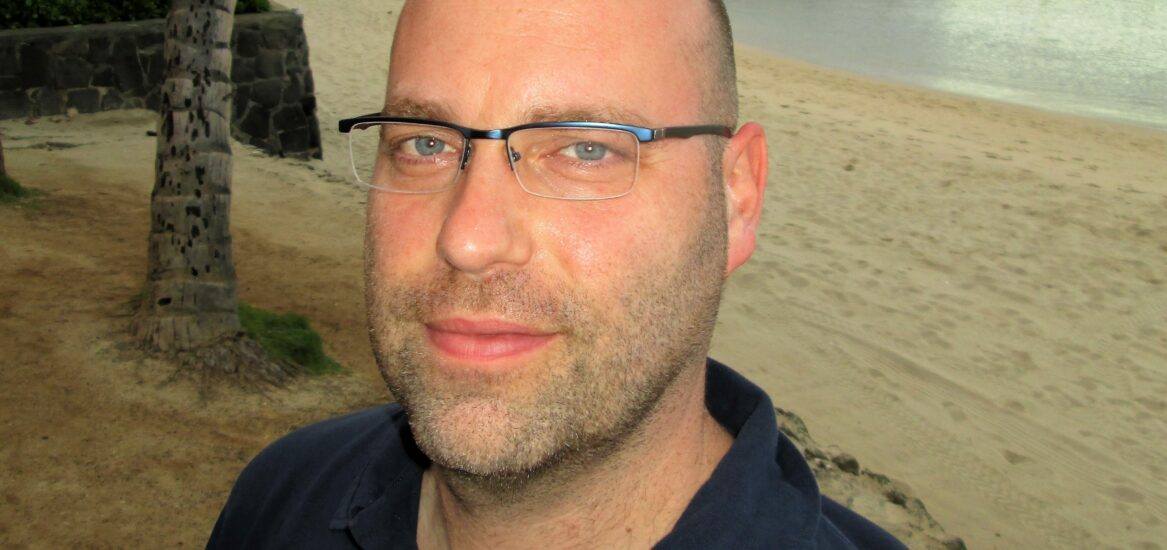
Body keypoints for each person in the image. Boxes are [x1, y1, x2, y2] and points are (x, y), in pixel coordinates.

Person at [208, 1, 904, 548]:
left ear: (735, 199)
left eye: (584, 149)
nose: (468, 240)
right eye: (424, 143)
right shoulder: (280, 497)